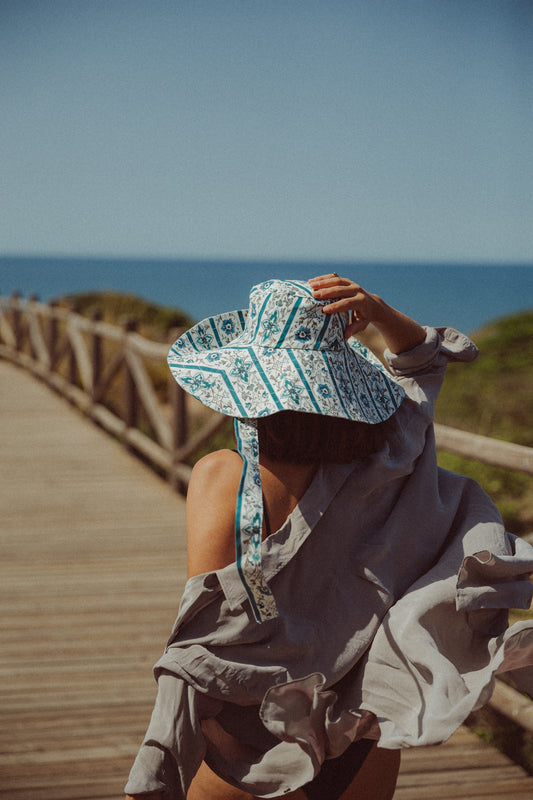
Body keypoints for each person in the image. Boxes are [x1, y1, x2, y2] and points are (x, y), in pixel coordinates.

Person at [124, 274, 533, 800]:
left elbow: (205, 623)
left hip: (246, 735)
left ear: (242, 383)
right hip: (359, 725)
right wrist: (380, 312)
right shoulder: (388, 459)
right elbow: (424, 362)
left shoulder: (222, 475)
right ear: (344, 383)